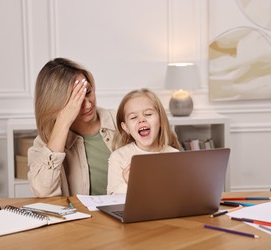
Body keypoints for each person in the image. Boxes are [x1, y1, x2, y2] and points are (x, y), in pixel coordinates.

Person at [28, 57, 116, 197]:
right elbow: (42, 192)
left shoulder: (122, 120)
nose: (87, 105)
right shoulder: (43, 144)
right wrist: (62, 122)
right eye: (75, 99)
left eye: (88, 92)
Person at [107, 88, 182, 195]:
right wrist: (131, 184)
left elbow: (180, 194)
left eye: (148, 114)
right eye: (133, 117)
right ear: (126, 127)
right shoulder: (118, 158)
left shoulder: (175, 156)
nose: (141, 120)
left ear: (160, 120)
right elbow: (110, 198)